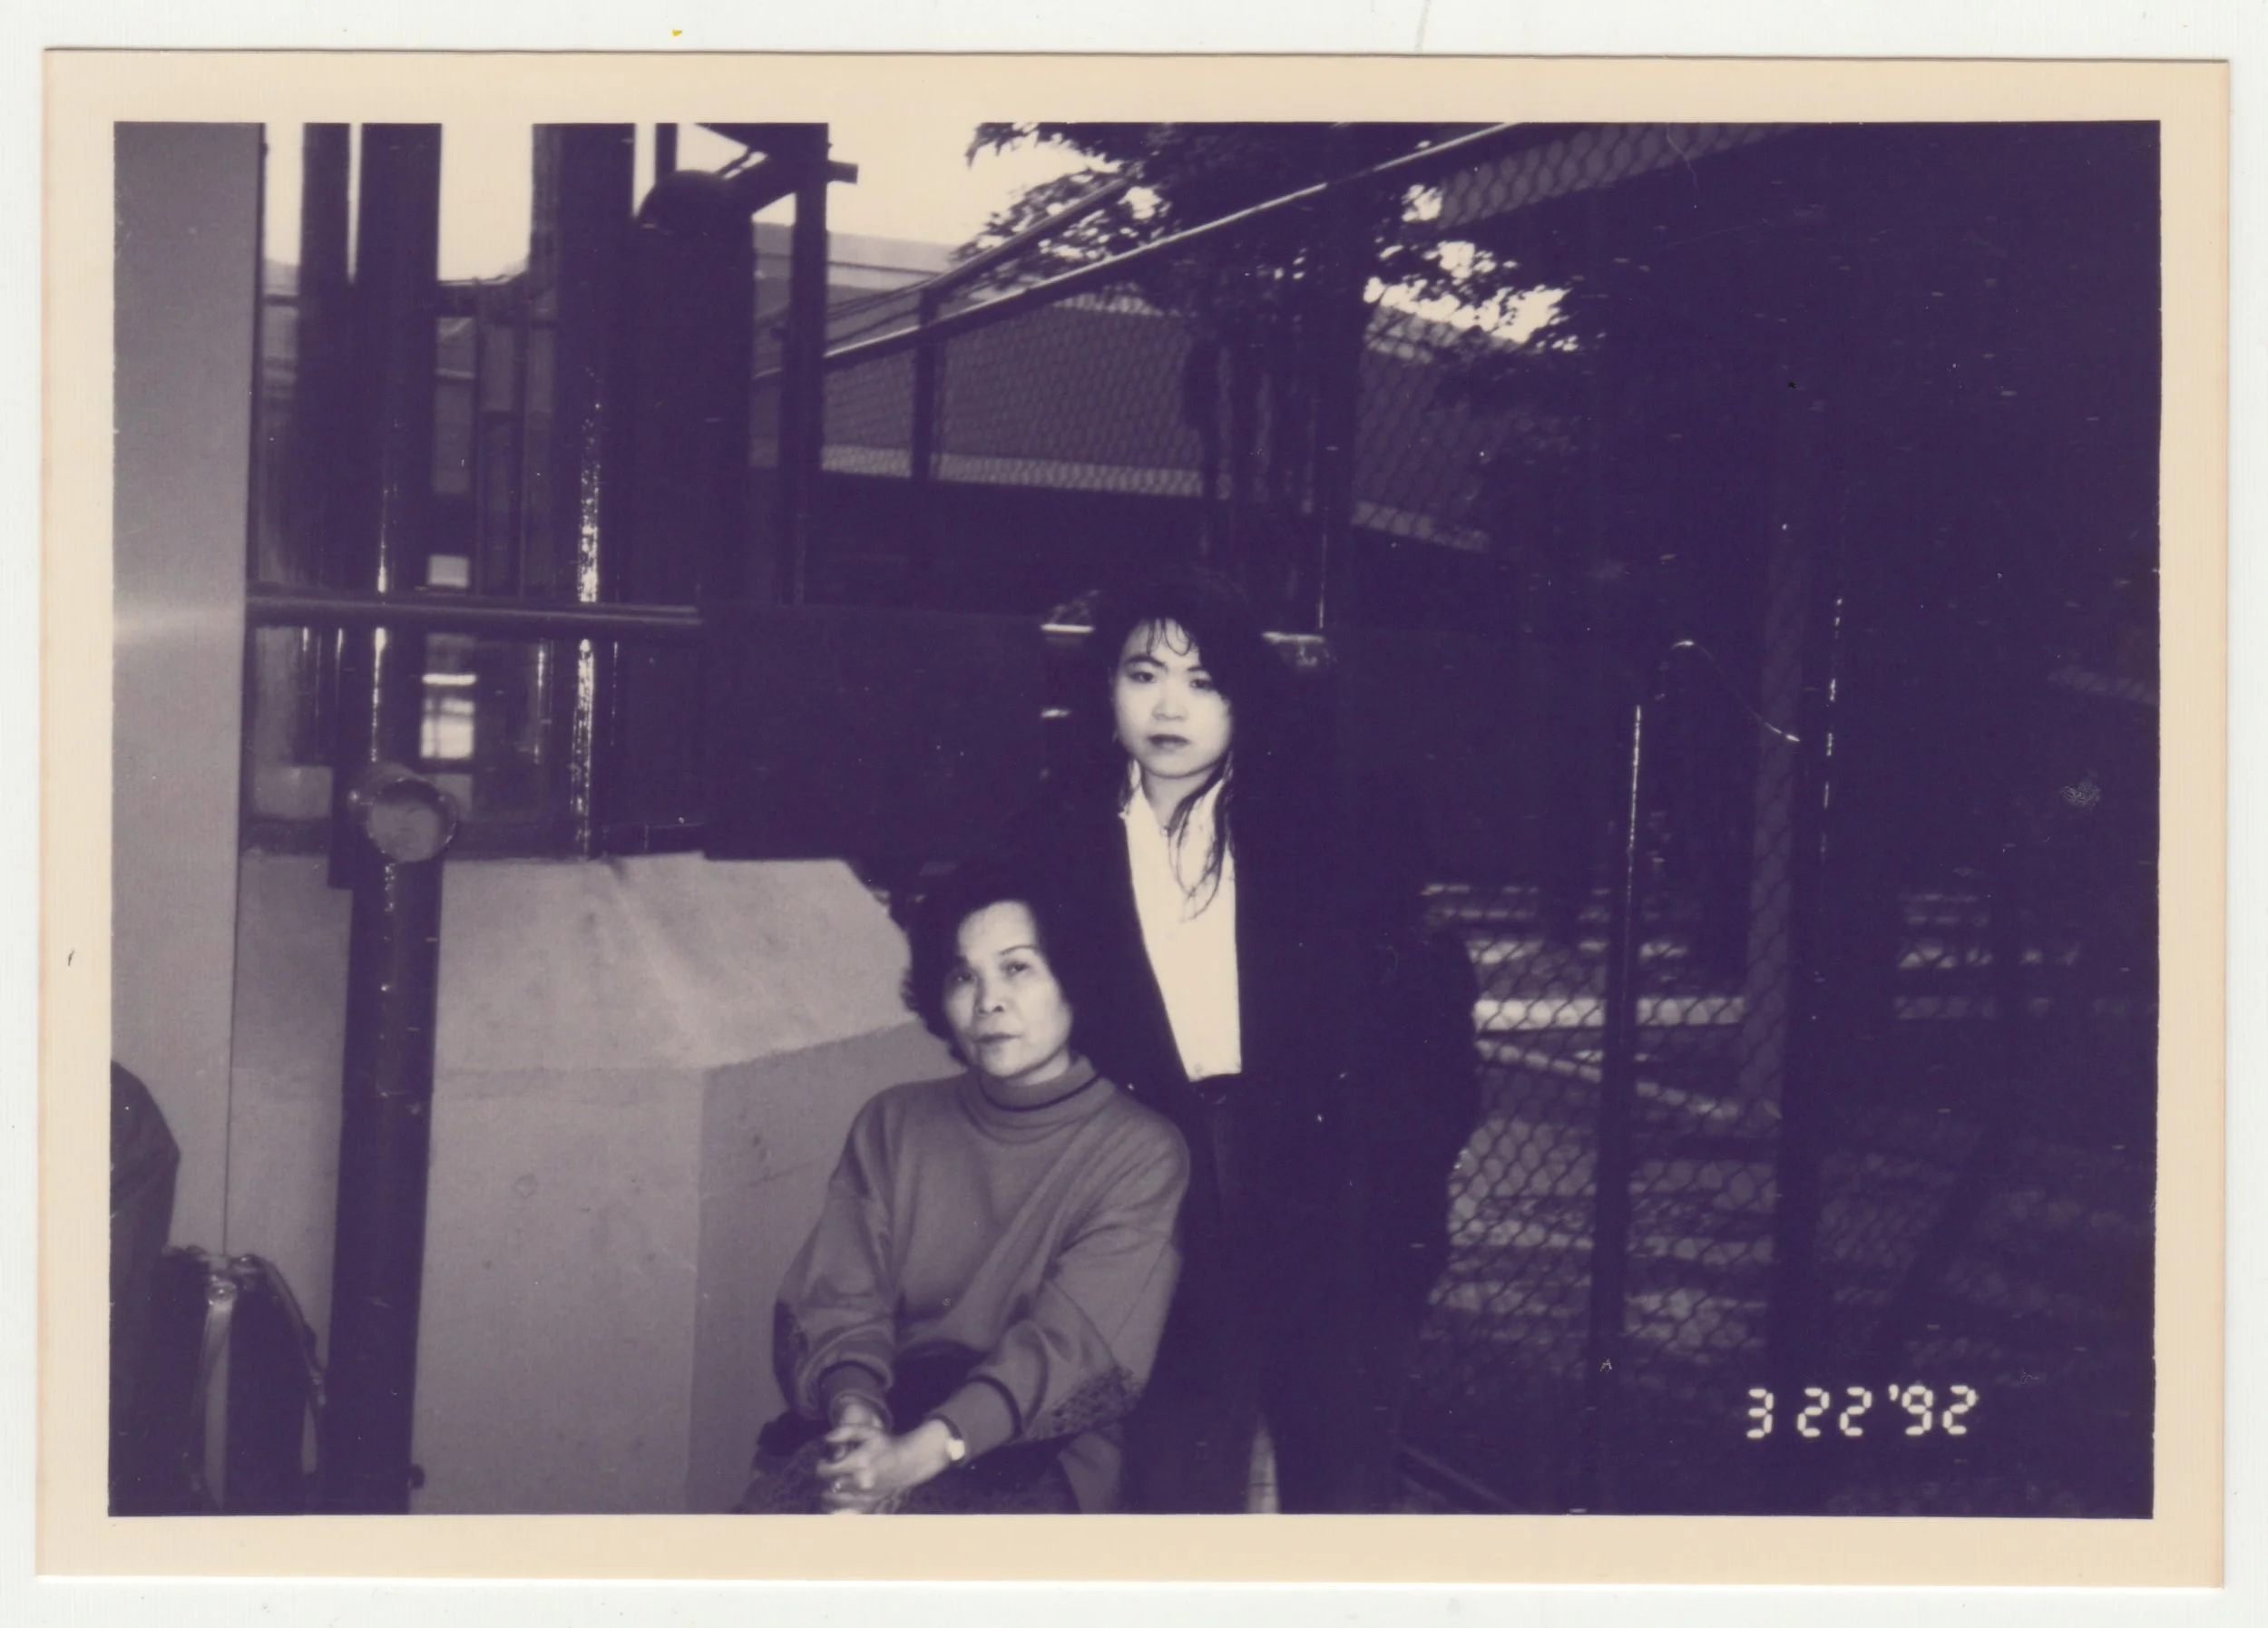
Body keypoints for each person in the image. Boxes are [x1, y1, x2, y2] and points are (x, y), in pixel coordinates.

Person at [1012, 570, 1479, 1514]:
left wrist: (1394, 1184)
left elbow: (1426, 1029)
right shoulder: (1055, 840)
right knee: (1175, 1487)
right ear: (1104, 690)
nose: (1170, 704)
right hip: (1163, 1200)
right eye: (1144, 674)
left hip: (1330, 1199)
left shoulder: (1329, 824)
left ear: (1247, 698)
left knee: (1339, 1484)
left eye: (1205, 679)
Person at [735, 859, 1190, 1515]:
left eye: (1017, 967)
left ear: (1076, 978)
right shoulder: (894, 1121)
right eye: (961, 975)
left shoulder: (1140, 1150)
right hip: (883, 1421)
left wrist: (915, 1456)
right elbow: (837, 1298)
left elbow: (1073, 1351)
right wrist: (858, 1415)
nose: (988, 1001)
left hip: (1038, 1453)